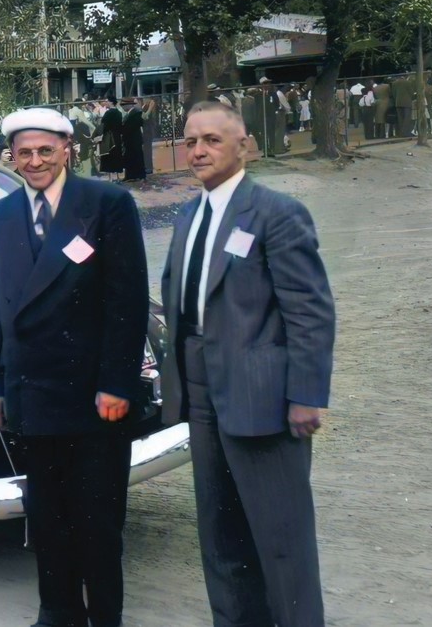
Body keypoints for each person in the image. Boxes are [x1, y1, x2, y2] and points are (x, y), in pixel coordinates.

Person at [160, 102, 335, 627]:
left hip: (262, 395)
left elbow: (310, 312)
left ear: (244, 146)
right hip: (200, 388)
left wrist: (306, 395)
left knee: (281, 538)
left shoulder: (276, 213)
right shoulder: (188, 216)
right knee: (220, 533)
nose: (199, 151)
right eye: (191, 141)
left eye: (212, 140)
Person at [0, 107, 148, 627]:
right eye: (24, 153)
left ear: (68, 149)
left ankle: (106, 617)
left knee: (97, 521)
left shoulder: (106, 204)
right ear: (11, 156)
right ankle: (57, 613)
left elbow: (127, 303)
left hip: (93, 397)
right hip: (31, 395)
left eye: (45, 151)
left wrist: (117, 383)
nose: (35, 162)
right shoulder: (0, 215)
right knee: (47, 519)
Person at [96, 96, 124, 179]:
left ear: (111, 102)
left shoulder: (108, 113)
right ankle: (118, 176)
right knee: (117, 155)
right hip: (117, 136)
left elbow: (103, 125)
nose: (106, 103)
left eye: (107, 101)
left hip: (108, 136)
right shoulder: (119, 113)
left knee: (108, 156)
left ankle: (110, 177)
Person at [121, 98, 147, 182]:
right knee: (129, 158)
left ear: (130, 105)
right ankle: (130, 175)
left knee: (137, 157)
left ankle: (140, 175)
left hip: (134, 139)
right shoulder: (128, 114)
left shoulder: (136, 113)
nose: (123, 107)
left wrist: (124, 129)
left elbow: (136, 125)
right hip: (129, 140)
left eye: (124, 105)